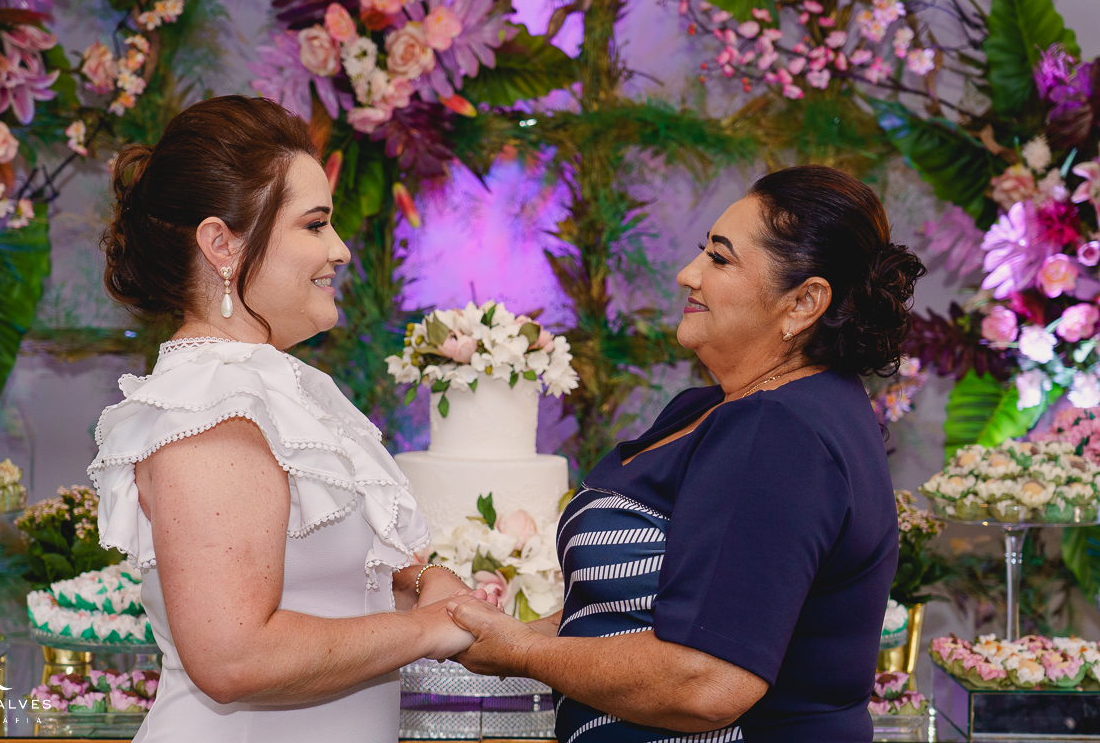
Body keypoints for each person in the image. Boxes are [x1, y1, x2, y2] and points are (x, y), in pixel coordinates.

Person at [445, 165, 926, 742]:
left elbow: (707, 682)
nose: (687, 274)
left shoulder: (780, 430)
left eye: (719, 259)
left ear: (803, 302)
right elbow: (640, 615)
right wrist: (514, 632)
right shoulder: (720, 409)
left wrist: (523, 653)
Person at [90, 96, 486, 742]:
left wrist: (421, 581)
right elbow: (234, 657)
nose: (341, 250)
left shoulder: (277, 391)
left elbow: (326, 589)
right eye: (314, 225)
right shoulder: (209, 409)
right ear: (222, 244)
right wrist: (425, 629)